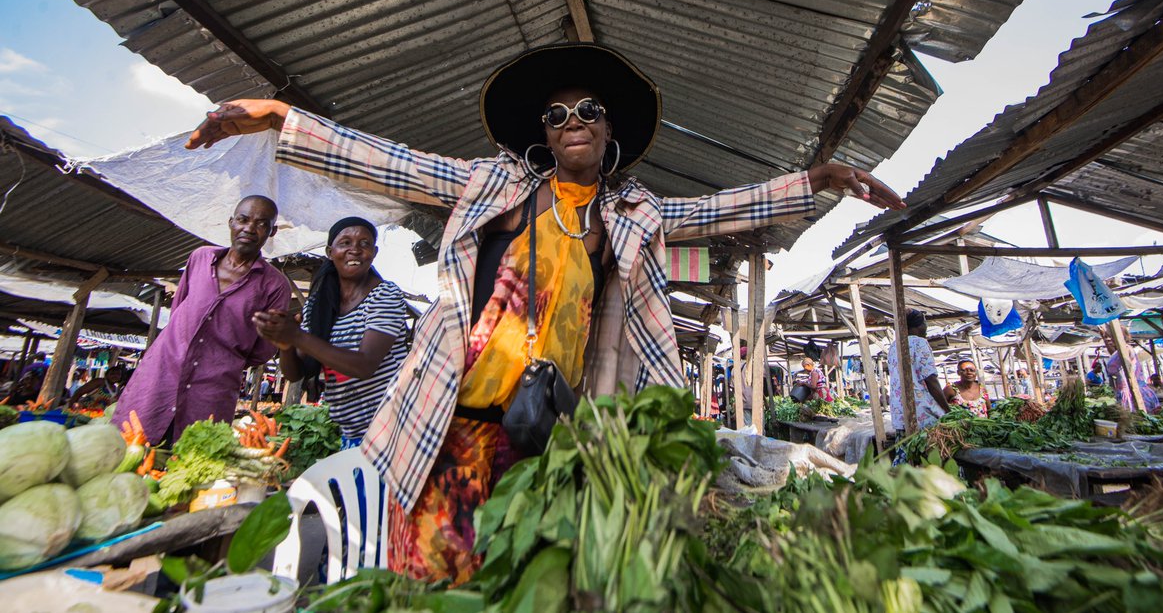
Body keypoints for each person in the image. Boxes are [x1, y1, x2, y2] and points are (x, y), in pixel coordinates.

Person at [187, 42, 903, 585]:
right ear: (545, 134)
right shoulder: (494, 183)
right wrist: (281, 117)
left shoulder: (630, 211)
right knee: (433, 574)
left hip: (549, 429)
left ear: (607, 127)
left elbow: (713, 211)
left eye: (587, 111)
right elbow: (391, 161)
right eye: (558, 116)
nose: (573, 123)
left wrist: (815, 181)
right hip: (453, 416)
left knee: (522, 569)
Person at [114, 196, 291, 445]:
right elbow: (179, 310)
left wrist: (220, 361)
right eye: (243, 219)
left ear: (271, 232)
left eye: (261, 224)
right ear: (231, 222)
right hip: (160, 378)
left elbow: (262, 350)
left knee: (191, 463)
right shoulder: (200, 258)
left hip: (211, 391)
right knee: (129, 450)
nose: (249, 228)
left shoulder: (274, 285)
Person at [254, 217, 411, 450]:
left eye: (364, 244)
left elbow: (364, 365)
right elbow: (295, 373)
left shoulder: (385, 295)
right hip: (351, 433)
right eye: (345, 242)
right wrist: (285, 343)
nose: (355, 250)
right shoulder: (318, 306)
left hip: (393, 432)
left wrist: (297, 336)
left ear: (374, 252)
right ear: (330, 252)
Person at [887, 309, 950, 436]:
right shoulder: (919, 342)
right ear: (917, 326)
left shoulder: (894, 346)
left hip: (900, 413)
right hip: (921, 412)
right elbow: (930, 379)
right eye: (924, 323)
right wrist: (948, 411)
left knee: (907, 449)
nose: (926, 327)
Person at [1100, 326, 1161, 414]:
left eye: (1110, 336)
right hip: (1127, 392)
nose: (1108, 339)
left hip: (1133, 393)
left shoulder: (1126, 350)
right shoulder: (1120, 351)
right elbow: (1114, 354)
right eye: (1106, 337)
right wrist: (1104, 338)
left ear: (1120, 336)